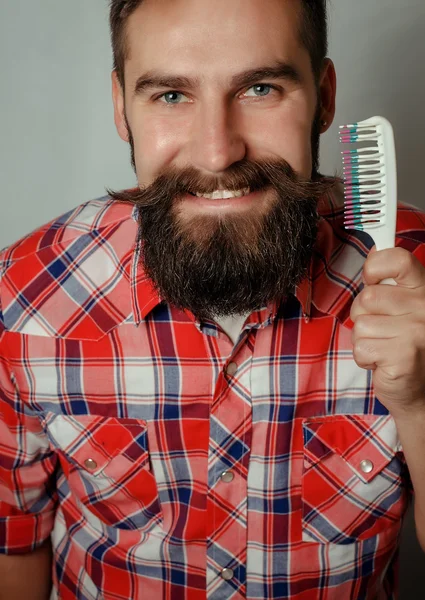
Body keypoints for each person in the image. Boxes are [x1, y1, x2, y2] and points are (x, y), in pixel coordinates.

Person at [1, 0, 425, 598]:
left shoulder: (416, 279)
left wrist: (420, 404)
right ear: (122, 106)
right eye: (171, 95)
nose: (217, 152)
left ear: (325, 97)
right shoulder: (26, 294)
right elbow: (12, 546)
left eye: (259, 88)